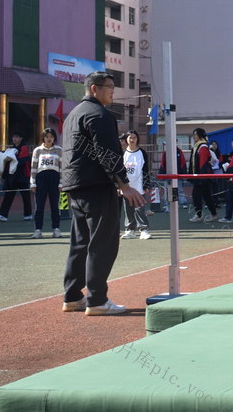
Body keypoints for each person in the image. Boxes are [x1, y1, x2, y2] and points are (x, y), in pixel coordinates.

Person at [61, 71, 146, 315]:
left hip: (75, 187)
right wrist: (124, 184)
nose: (113, 91)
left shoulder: (73, 115)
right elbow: (108, 153)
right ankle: (97, 300)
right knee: (103, 243)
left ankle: (72, 296)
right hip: (97, 186)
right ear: (95, 88)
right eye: (109, 87)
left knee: (79, 244)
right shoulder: (100, 114)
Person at [30, 128, 64, 239]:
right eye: (47, 136)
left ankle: (56, 229)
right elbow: (34, 167)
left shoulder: (59, 150)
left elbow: (62, 168)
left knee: (55, 206)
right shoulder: (37, 150)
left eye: (51, 137)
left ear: (54, 138)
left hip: (54, 179)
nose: (49, 139)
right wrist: (33, 183)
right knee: (39, 206)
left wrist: (61, 183)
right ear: (43, 138)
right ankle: (38, 230)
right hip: (41, 179)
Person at [120, 131, 152, 239]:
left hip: (139, 186)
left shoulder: (142, 153)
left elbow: (146, 169)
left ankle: (144, 229)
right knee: (128, 209)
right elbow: (119, 171)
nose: (132, 139)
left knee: (139, 209)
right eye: (130, 138)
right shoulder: (123, 153)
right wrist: (119, 186)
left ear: (137, 139)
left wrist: (146, 185)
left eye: (134, 137)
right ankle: (130, 230)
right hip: (126, 186)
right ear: (126, 140)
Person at [0, 132, 33, 222]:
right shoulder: (11, 149)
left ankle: (28, 214)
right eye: (13, 136)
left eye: (17, 137)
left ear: (21, 138)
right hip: (12, 175)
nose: (14, 139)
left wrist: (12, 158)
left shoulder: (24, 148)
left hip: (22, 175)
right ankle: (3, 214)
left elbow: (23, 161)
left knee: (25, 196)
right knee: (8, 195)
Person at [188, 128, 219, 222]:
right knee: (207, 196)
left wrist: (200, 177)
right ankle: (213, 214)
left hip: (202, 176)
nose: (194, 136)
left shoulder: (202, 146)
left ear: (200, 135)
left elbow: (203, 162)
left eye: (195, 134)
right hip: (202, 176)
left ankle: (199, 215)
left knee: (196, 195)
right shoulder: (199, 146)